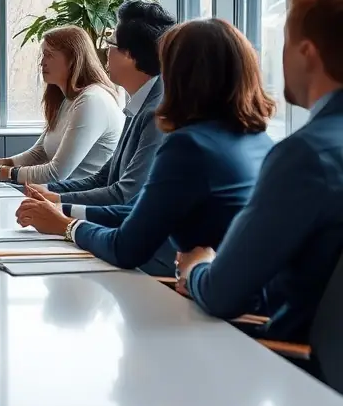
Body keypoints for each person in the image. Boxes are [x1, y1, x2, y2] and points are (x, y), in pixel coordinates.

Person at [16, 18, 275, 275]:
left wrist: (66, 225)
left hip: (182, 284)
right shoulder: (258, 139)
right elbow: (140, 211)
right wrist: (63, 210)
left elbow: (125, 248)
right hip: (228, 291)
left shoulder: (188, 146)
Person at [177, 0, 343, 343]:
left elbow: (223, 295)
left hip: (297, 371)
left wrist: (197, 268)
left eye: (284, 43)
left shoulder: (304, 156)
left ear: (307, 52)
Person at [31, 0, 176, 213]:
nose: (106, 52)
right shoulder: (139, 103)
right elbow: (103, 179)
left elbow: (125, 195)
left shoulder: (157, 113)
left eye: (110, 44)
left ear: (129, 55)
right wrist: (47, 192)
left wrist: (59, 207)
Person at [0, 26, 123, 184]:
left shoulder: (92, 101)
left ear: (73, 59)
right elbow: (40, 153)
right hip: (58, 194)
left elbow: (56, 173)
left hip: (78, 201)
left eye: (49, 55)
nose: (42, 63)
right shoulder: (67, 99)